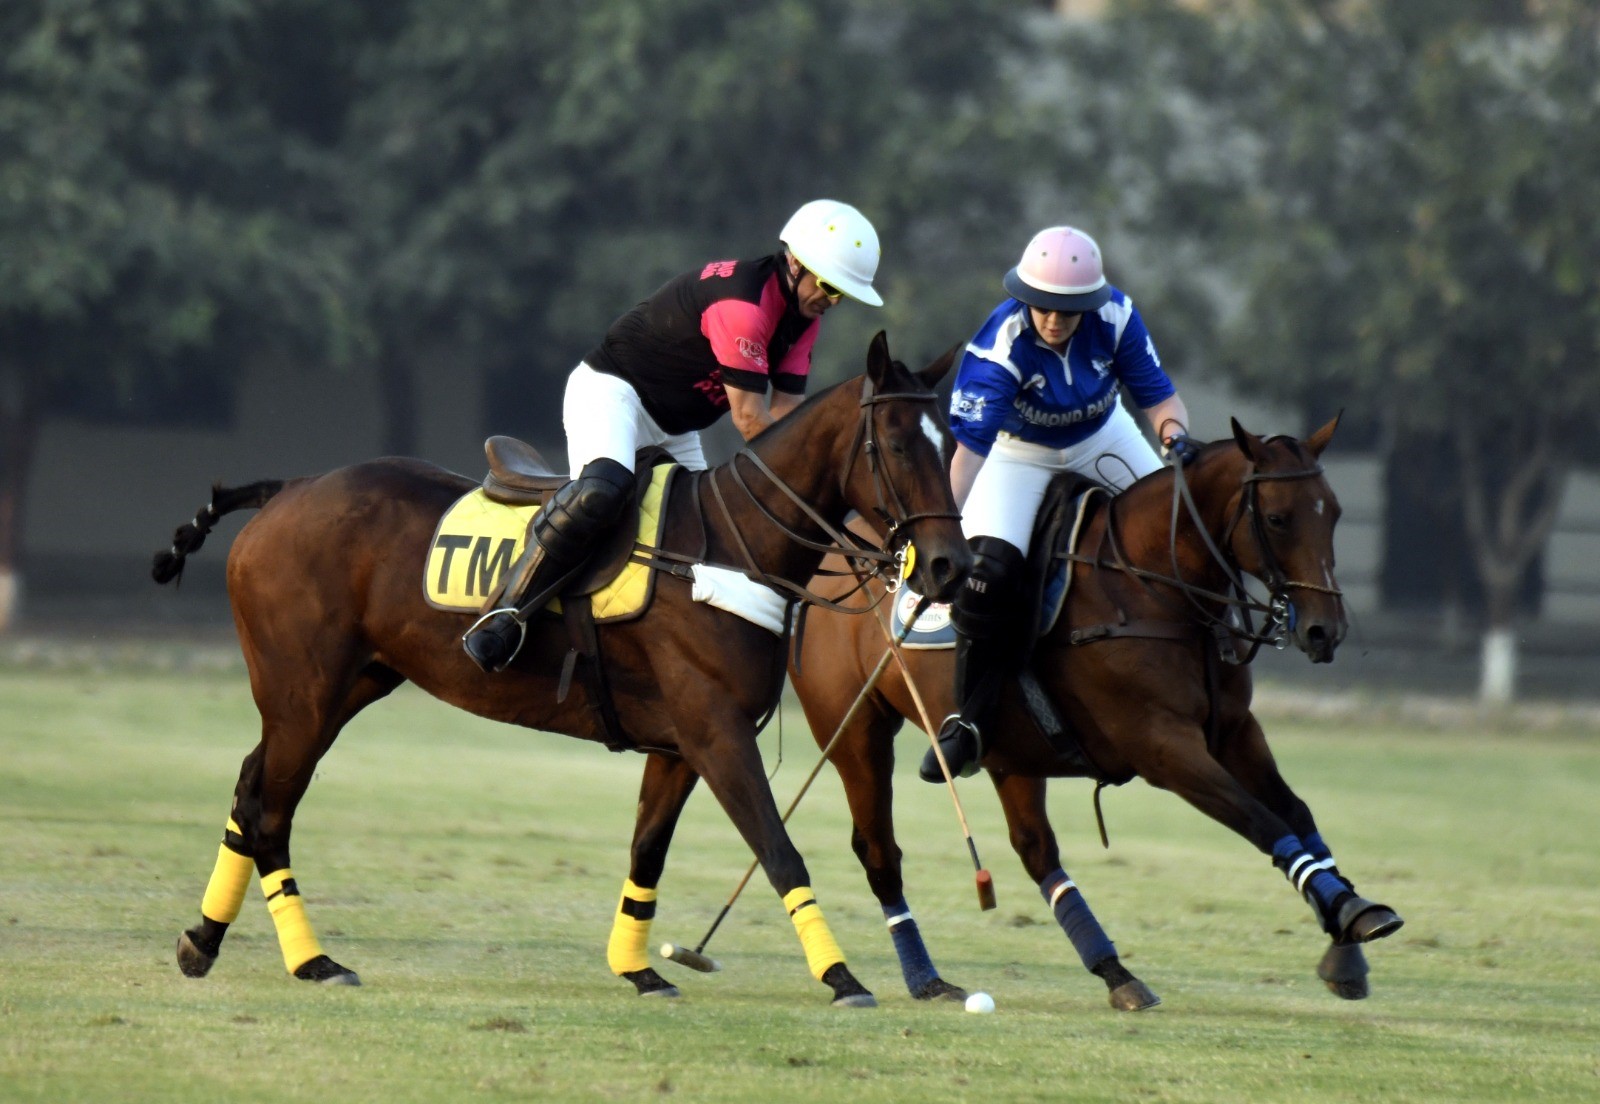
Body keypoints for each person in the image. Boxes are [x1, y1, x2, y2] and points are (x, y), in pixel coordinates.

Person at [464, 200, 885, 672]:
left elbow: (786, 419)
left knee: (711, 538)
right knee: (602, 492)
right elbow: (751, 421)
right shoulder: (745, 305)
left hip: (674, 427)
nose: (830, 301)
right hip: (614, 393)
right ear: (794, 262)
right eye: (829, 286)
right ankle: (504, 616)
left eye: (842, 295)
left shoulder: (803, 319)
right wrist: (820, 485)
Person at [921, 224, 1198, 781]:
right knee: (991, 572)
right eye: (1042, 307)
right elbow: (968, 458)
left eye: (1067, 310)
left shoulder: (1117, 317)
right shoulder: (997, 350)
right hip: (1015, 454)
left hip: (1102, 435)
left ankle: (1210, 662)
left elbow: (1160, 399)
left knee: (1181, 532)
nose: (1052, 319)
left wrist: (1174, 438)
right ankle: (969, 724)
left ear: (1090, 305)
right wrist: (938, 535)